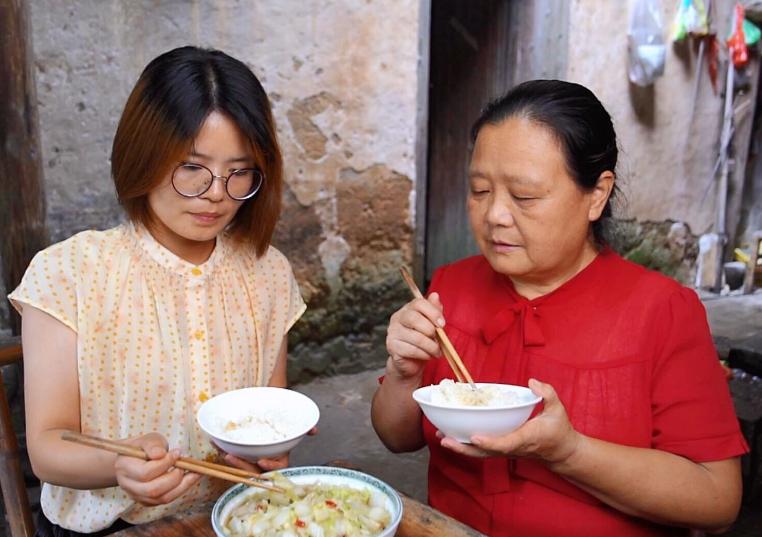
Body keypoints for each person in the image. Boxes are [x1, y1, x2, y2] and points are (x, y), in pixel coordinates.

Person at [371, 80, 748, 537]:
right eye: (480, 190)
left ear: (597, 194)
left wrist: (568, 452)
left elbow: (717, 499)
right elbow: (397, 437)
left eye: (524, 196)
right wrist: (404, 373)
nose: (495, 216)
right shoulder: (452, 287)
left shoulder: (662, 311)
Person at [8, 46, 305, 536]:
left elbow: (267, 417)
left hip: (232, 518)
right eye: (192, 167)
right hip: (111, 528)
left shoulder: (268, 272)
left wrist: (268, 449)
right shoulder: (70, 272)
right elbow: (47, 445)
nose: (216, 193)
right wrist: (117, 465)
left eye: (239, 171)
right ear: (143, 154)